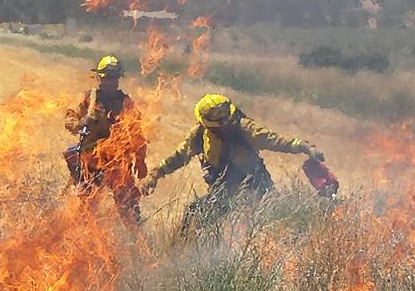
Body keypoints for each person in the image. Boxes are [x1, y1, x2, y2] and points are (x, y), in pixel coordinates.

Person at [139, 93, 324, 232]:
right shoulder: (199, 136)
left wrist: (305, 147)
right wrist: (156, 174)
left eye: (228, 120)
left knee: (275, 226)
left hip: (257, 191)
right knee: (195, 214)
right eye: (222, 123)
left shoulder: (245, 128)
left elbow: (276, 140)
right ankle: (184, 255)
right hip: (222, 193)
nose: (227, 125)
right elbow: (179, 157)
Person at [62, 54, 145, 220]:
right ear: (99, 78)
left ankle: (135, 239)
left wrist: (141, 161)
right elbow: (69, 119)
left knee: (128, 206)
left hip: (118, 163)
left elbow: (138, 134)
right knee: (87, 208)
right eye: (106, 78)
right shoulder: (88, 99)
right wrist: (82, 122)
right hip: (91, 162)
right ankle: (86, 238)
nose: (110, 82)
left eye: (114, 78)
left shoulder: (126, 102)